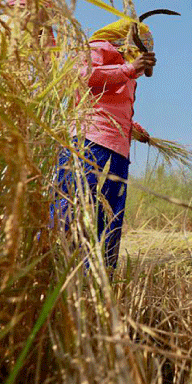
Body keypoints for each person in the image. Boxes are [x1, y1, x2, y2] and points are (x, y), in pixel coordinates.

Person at [53, 18, 155, 270]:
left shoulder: (126, 68)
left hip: (118, 151)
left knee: (109, 215)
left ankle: (97, 276)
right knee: (74, 206)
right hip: (88, 142)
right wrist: (129, 69)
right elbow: (81, 75)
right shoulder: (99, 48)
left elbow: (112, 108)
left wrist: (136, 130)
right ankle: (53, 263)